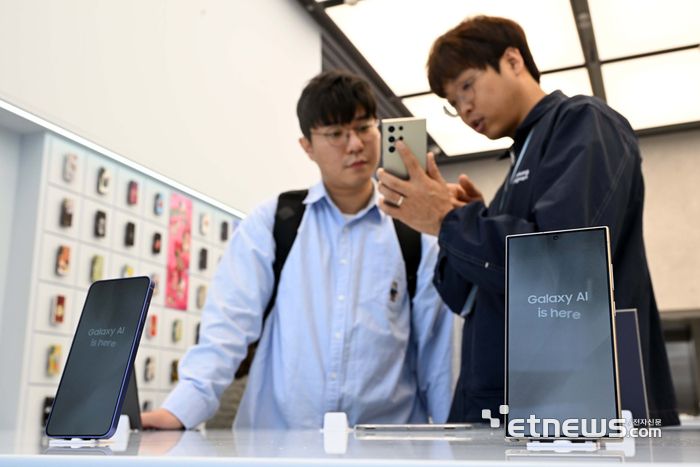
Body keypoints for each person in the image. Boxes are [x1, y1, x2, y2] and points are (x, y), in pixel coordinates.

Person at [376, 15, 678, 425]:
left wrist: (451, 220)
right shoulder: (519, 164)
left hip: (571, 412)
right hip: (508, 409)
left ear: (513, 61)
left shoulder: (585, 122)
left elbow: (561, 269)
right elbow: (468, 297)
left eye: (467, 85)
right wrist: (468, 219)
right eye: (452, 103)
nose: (464, 109)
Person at [142, 70, 454, 430]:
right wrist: (179, 412)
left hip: (385, 446)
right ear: (307, 146)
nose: (355, 144)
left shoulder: (414, 232)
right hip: (280, 444)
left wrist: (452, 439)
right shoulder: (273, 223)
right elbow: (227, 327)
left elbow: (437, 356)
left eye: (363, 127)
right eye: (335, 134)